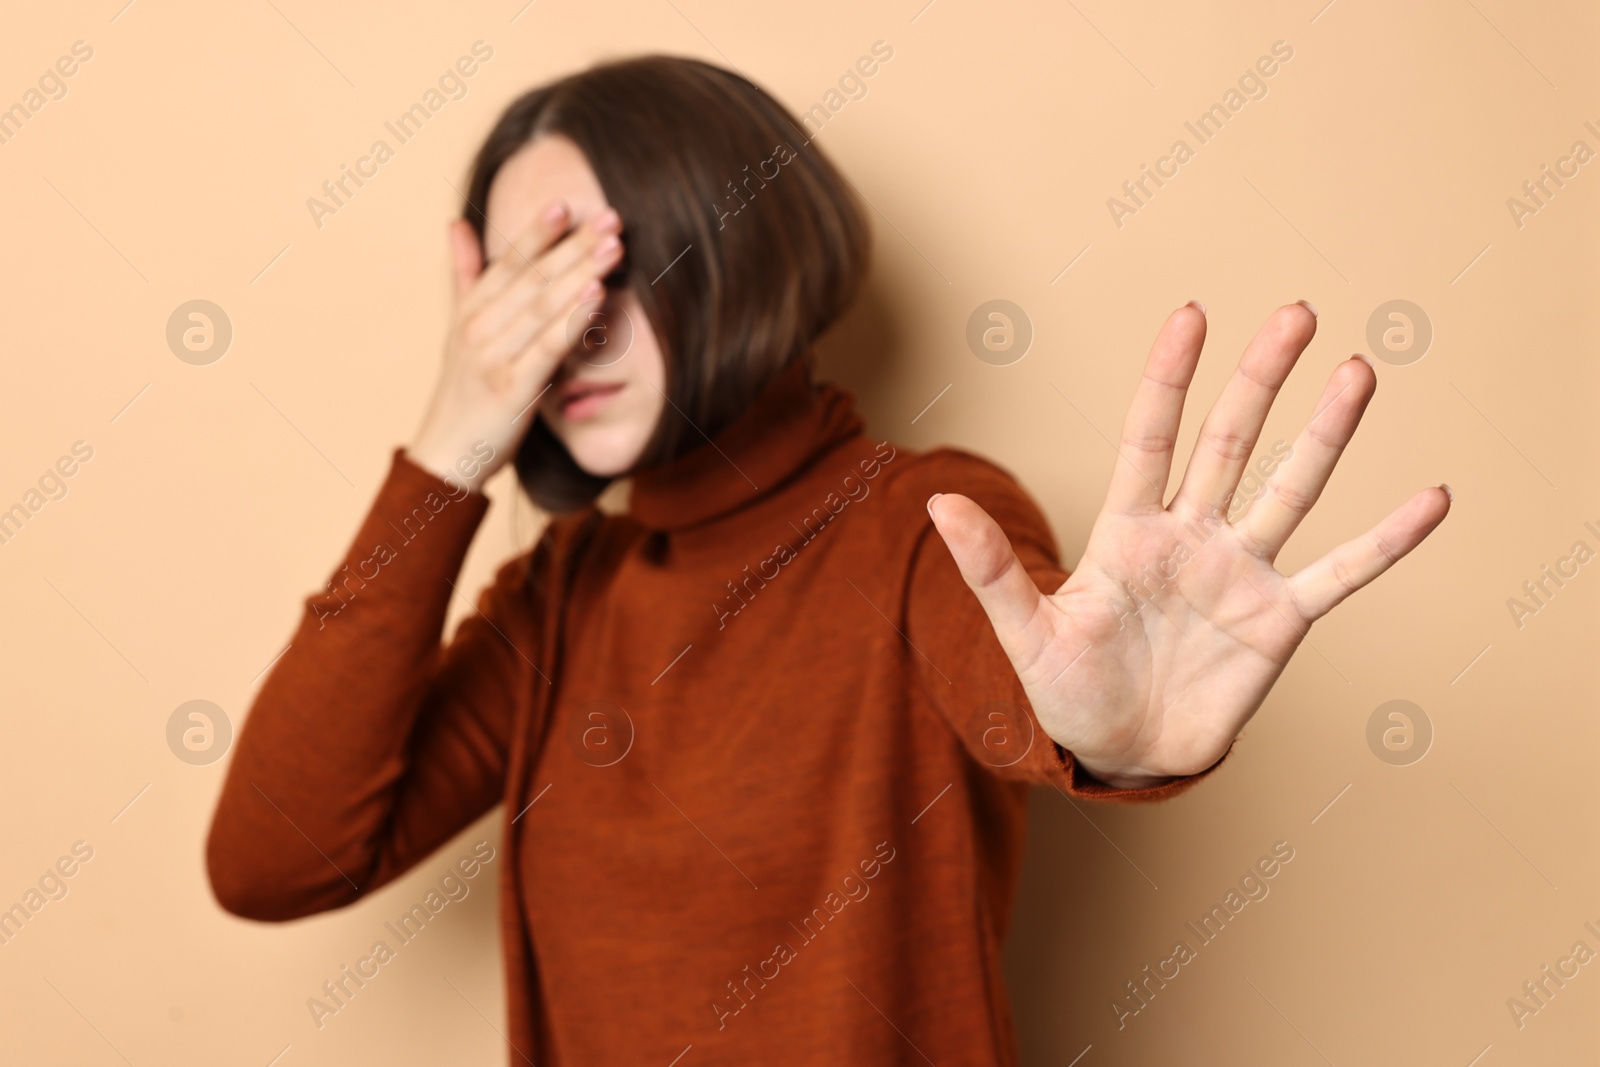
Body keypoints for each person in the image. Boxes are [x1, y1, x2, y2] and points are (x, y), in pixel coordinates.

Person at [205, 54, 1450, 1064]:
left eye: (604, 257)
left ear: (735, 239)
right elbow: (274, 858)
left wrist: (1108, 739)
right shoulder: (558, 598)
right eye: (526, 279)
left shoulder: (920, 521)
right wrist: (443, 453)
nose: (568, 322)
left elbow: (1028, 682)